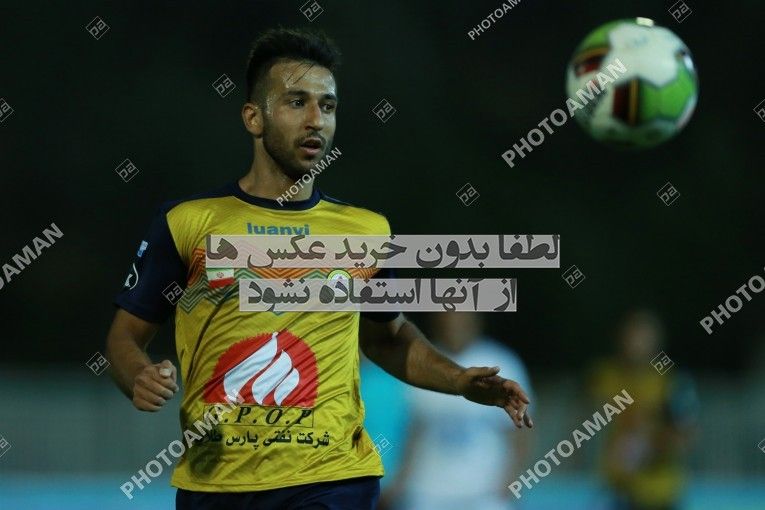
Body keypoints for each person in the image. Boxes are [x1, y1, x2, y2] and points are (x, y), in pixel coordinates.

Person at [104, 27, 533, 510]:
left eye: (327, 106)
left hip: (334, 480)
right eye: (296, 102)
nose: (316, 120)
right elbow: (124, 338)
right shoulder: (187, 223)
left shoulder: (366, 231)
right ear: (253, 117)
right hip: (216, 484)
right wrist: (138, 374)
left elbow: (388, 338)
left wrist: (458, 380)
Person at [385, 312, 534, 510]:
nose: (454, 325)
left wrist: (511, 479)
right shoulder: (422, 363)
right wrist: (401, 480)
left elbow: (520, 431)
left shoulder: (502, 363)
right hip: (427, 492)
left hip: (484, 493)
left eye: (461, 318)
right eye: (448, 318)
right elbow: (413, 432)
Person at [589, 309, 698, 510]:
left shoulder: (672, 382)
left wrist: (646, 448)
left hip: (660, 494)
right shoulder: (607, 377)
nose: (635, 343)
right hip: (618, 492)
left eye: (642, 337)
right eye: (631, 336)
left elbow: (685, 437)